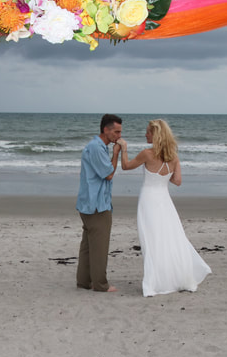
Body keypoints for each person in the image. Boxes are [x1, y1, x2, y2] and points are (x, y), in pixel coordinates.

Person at [120, 119, 211, 297]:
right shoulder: (173, 157)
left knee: (152, 240)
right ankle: (177, 278)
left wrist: (123, 148)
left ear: (156, 135)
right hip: (165, 200)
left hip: (148, 200)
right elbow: (177, 181)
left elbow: (125, 166)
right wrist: (163, 175)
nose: (145, 134)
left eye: (148, 132)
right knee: (171, 238)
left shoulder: (147, 154)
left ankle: (156, 282)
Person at [76, 114, 123, 292]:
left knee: (88, 245)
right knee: (99, 246)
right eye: (116, 132)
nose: (119, 136)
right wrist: (117, 153)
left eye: (120, 132)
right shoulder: (96, 147)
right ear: (106, 129)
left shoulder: (98, 147)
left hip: (89, 202)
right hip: (96, 204)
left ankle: (83, 281)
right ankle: (100, 284)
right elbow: (108, 174)